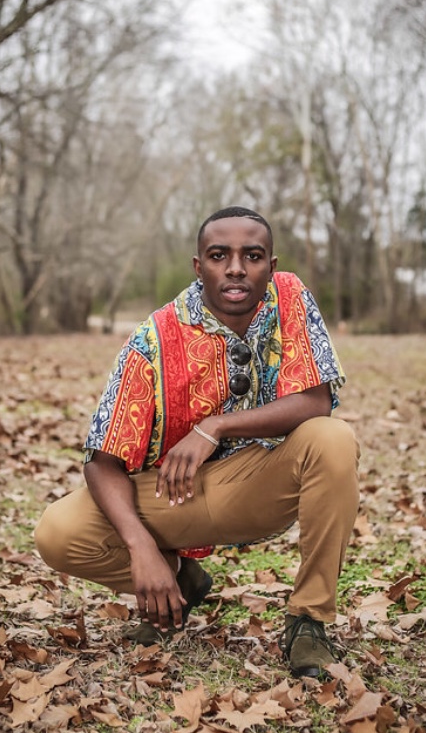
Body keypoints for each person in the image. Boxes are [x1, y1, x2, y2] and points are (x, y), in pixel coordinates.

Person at [35, 206, 360, 678]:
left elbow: (316, 400)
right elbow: (101, 460)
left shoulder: (289, 296)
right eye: (218, 255)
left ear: (271, 265)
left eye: (252, 256)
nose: (235, 268)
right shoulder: (153, 337)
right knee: (58, 532)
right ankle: (181, 580)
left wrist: (215, 427)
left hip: (264, 479)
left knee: (333, 438)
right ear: (198, 265)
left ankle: (309, 620)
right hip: (174, 495)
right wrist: (142, 549)